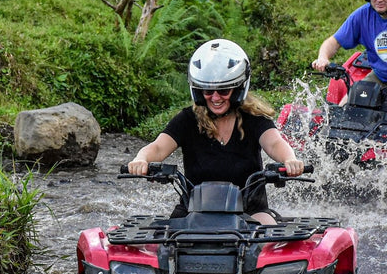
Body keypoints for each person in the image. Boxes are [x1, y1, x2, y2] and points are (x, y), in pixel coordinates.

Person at [128, 39, 305, 226]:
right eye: (207, 91)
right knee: (166, 244)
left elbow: (274, 143)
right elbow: (157, 147)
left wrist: (289, 159)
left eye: (224, 91)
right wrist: (141, 159)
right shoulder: (188, 120)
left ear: (238, 88)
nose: (215, 97)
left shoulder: (254, 118)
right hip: (193, 209)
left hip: (249, 209)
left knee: (269, 236)